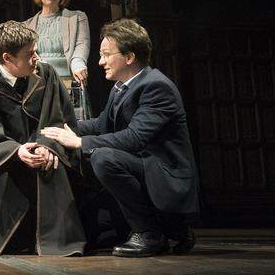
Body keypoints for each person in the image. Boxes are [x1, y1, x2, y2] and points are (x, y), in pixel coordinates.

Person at [42, 18, 198, 258]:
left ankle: (150, 234)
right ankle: (172, 228)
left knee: (103, 158)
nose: (100, 61)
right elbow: (102, 124)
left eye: (106, 54)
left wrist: (80, 142)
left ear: (129, 57)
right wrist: (63, 128)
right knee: (87, 231)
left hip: (161, 176)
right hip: (138, 169)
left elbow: (134, 138)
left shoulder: (156, 86)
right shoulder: (121, 86)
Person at [0, 21, 84, 256]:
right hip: (3, 158)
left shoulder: (47, 75)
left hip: (43, 154)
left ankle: (56, 242)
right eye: (30, 54)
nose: (37, 57)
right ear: (7, 58)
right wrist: (17, 151)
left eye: (36, 50)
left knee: (52, 166)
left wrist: (47, 147)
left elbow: (57, 120)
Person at [21, 0, 94, 118]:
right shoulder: (26, 26)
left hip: (69, 83)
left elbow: (82, 45)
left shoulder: (77, 17)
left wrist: (79, 64)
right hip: (40, 85)